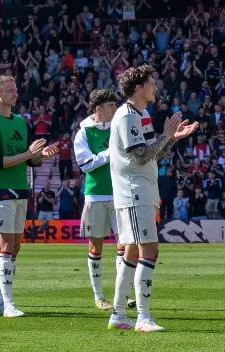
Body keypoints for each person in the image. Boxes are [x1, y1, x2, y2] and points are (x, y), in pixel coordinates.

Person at [106, 64, 198, 332]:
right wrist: (166, 135)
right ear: (138, 88)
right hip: (133, 189)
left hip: (142, 187)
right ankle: (143, 316)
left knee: (133, 250)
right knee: (149, 249)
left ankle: (119, 314)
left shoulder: (141, 113)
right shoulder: (126, 116)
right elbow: (140, 155)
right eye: (151, 83)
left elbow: (152, 153)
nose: (155, 87)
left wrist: (171, 139)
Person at [0, 75, 56, 318]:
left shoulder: (22, 123)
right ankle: (9, 305)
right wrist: (27, 155)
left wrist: (41, 154)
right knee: (5, 244)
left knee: (16, 246)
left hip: (20, 189)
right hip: (0, 188)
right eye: (10, 90)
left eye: (15, 90)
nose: (15, 94)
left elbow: (30, 159)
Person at [73, 88, 122, 310]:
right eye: (110, 105)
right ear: (98, 109)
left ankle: (123, 294)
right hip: (95, 195)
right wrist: (111, 152)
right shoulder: (83, 133)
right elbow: (86, 165)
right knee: (96, 246)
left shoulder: (118, 127)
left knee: (125, 245)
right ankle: (99, 296)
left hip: (120, 194)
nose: (114, 108)